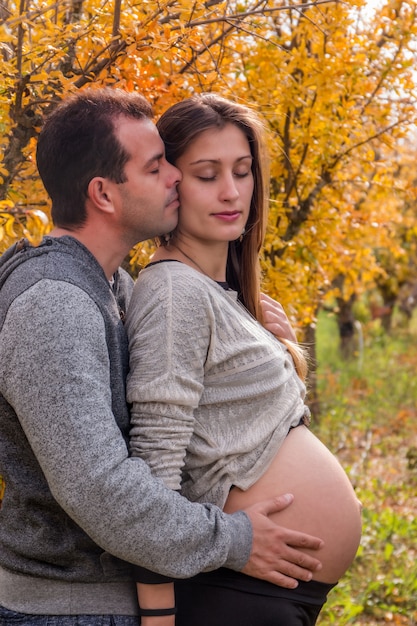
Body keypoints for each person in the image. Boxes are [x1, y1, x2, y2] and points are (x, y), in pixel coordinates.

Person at [0, 88, 326, 626]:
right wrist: (234, 540)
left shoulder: (110, 287)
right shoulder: (53, 303)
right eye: (156, 168)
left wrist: (260, 350)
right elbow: (104, 491)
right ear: (104, 193)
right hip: (72, 612)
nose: (174, 176)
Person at [125, 93, 362, 625]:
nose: (232, 192)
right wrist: (158, 616)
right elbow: (152, 474)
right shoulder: (174, 294)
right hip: (235, 594)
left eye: (243, 171)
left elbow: (253, 434)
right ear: (170, 182)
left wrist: (284, 354)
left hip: (269, 591)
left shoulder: (220, 293)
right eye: (207, 174)